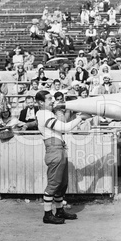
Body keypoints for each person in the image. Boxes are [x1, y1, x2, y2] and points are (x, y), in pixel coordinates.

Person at [35, 90, 83, 224]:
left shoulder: (47, 113)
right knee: (54, 184)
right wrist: (80, 118)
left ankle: (59, 210)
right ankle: (47, 214)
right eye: (49, 99)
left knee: (62, 184)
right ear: (40, 102)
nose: (52, 101)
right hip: (54, 150)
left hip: (59, 149)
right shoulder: (43, 114)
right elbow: (64, 128)